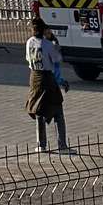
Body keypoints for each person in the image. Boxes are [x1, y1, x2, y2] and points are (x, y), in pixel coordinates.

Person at [25, 18, 70, 153]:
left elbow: (28, 58)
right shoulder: (48, 44)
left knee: (39, 110)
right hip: (47, 78)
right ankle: (62, 145)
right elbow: (57, 59)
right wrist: (54, 40)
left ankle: (41, 145)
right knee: (57, 111)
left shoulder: (29, 42)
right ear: (44, 30)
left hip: (34, 77)